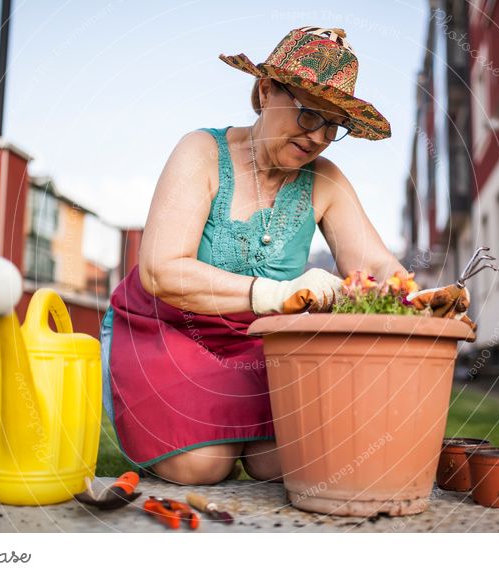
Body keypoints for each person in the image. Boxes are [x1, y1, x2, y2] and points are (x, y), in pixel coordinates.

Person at [101, 26, 410, 486]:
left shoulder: (325, 180)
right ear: (266, 91)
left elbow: (380, 267)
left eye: (333, 125)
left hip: (255, 346)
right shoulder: (201, 152)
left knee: (284, 463)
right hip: (163, 329)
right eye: (309, 115)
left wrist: (415, 298)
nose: (319, 136)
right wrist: (277, 291)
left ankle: (233, 430)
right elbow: (161, 271)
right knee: (201, 465)